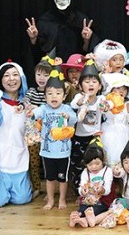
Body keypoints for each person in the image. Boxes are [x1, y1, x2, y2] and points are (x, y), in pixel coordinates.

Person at [29, 66, 78, 210]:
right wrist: (30, 113)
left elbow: (74, 119)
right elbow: (35, 113)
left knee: (62, 178)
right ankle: (50, 200)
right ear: (45, 97)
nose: (54, 96)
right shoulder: (44, 108)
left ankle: (62, 199)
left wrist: (68, 117)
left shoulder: (67, 108)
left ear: (64, 96)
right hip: (47, 152)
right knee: (49, 178)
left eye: (58, 93)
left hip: (63, 152)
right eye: (49, 93)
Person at [25, 0, 100, 61]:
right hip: (51, 67)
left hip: (76, 67)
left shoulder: (80, 20)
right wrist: (34, 39)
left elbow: (87, 54)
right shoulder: (45, 22)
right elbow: (37, 56)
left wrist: (86, 41)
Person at [69, 60, 105, 193]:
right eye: (87, 81)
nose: (91, 84)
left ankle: (95, 191)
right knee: (78, 165)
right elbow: (73, 104)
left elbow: (107, 106)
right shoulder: (79, 96)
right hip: (79, 137)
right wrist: (81, 101)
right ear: (80, 85)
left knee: (96, 165)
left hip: (94, 138)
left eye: (94, 82)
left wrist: (106, 106)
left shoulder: (101, 99)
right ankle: (80, 191)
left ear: (99, 86)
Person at [0, 62, 33, 207]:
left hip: (19, 159)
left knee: (22, 199)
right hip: (1, 160)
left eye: (15, 75)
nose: (11, 79)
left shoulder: (27, 105)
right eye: (6, 75)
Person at [69, 138, 114, 228]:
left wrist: (102, 190)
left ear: (103, 160)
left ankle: (84, 220)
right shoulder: (85, 172)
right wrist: (83, 191)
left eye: (97, 164)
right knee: (83, 208)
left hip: (103, 199)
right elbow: (82, 186)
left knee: (96, 209)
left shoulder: (107, 171)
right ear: (86, 164)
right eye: (90, 164)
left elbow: (108, 189)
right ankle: (78, 217)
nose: (94, 167)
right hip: (89, 198)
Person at [23, 57, 52, 199]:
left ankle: (50, 190)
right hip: (33, 133)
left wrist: (38, 108)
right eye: (39, 74)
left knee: (48, 162)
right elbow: (25, 100)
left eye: (46, 75)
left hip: (49, 133)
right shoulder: (32, 91)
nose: (41, 78)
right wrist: (27, 105)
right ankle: (36, 187)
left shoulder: (51, 92)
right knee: (34, 162)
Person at [100, 73, 129, 167]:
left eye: (124, 89)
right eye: (117, 88)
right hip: (110, 132)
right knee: (110, 157)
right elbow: (104, 109)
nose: (121, 91)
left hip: (125, 132)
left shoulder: (128, 103)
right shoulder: (108, 101)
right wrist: (107, 106)